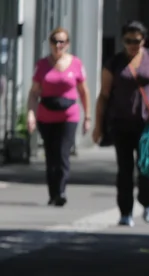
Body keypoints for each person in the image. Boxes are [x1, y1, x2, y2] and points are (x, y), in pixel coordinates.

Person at [92, 20, 149, 227]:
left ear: (143, 40)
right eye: (128, 40)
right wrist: (98, 126)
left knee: (147, 166)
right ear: (122, 40)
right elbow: (103, 95)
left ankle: (148, 203)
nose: (132, 45)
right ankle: (125, 211)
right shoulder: (115, 63)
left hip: (147, 124)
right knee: (125, 169)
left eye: (136, 41)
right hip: (121, 123)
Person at [26, 27, 90, 207]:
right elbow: (34, 93)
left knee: (63, 153)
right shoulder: (42, 65)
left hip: (68, 116)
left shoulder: (76, 64)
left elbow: (84, 92)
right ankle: (53, 193)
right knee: (51, 155)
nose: (58, 45)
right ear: (50, 43)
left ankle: (61, 191)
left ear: (67, 44)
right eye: (55, 41)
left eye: (62, 41)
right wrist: (31, 114)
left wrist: (88, 117)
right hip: (46, 115)